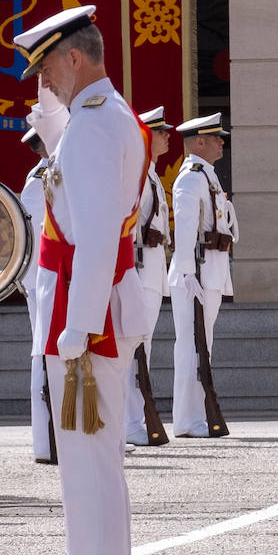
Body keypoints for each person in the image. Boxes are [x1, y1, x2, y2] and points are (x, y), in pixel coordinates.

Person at [17, 4, 146, 555]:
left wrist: (77, 325)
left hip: (83, 317)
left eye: (46, 69)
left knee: (87, 472)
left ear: (73, 58)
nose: (44, 84)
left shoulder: (95, 126)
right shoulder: (97, 119)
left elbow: (94, 237)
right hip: (86, 310)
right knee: (93, 469)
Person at [168, 113, 237, 438]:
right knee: (191, 346)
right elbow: (183, 229)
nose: (222, 141)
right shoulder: (192, 178)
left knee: (201, 345)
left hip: (208, 271)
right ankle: (188, 420)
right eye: (216, 137)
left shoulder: (206, 176)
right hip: (195, 273)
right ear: (199, 142)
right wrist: (185, 273)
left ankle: (196, 417)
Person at [125, 107, 173, 447]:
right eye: (161, 131)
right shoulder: (138, 176)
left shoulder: (151, 174)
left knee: (144, 350)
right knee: (134, 351)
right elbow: (126, 227)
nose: (168, 136)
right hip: (140, 271)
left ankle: (138, 418)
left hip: (152, 271)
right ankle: (130, 423)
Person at [18, 127, 56, 464]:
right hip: (45, 280)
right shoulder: (40, 180)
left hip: (58, 279)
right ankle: (46, 441)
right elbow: (30, 239)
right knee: (44, 356)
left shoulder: (58, 172)